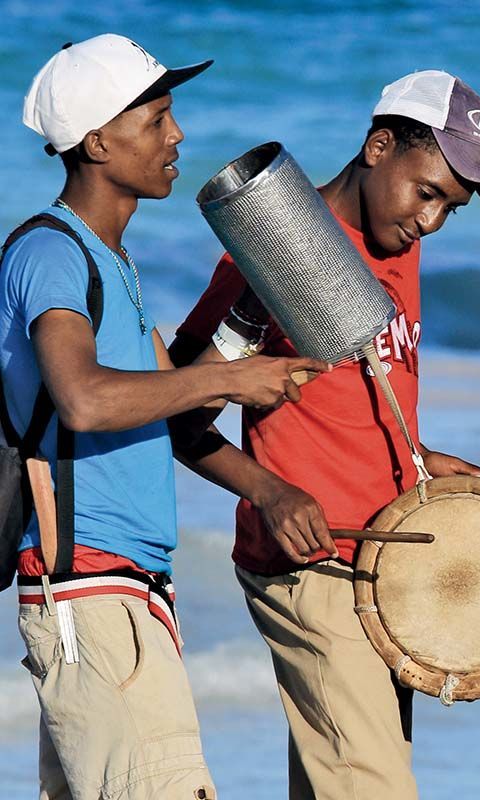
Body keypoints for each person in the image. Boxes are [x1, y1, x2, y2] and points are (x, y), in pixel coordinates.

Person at [168, 69, 480, 799]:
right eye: (427, 193)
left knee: (342, 781)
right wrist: (269, 490)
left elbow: (359, 404)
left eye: (452, 208)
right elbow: (178, 415)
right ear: (378, 145)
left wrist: (424, 463)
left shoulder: (399, 245)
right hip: (313, 567)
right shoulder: (277, 250)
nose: (432, 222)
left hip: (388, 568)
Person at [2, 34, 327, 799]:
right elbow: (85, 397)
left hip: (125, 594)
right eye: (156, 119)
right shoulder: (50, 256)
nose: (176, 135)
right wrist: (238, 377)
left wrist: (268, 489)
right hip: (90, 591)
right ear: (96, 142)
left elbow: (165, 409)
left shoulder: (110, 261)